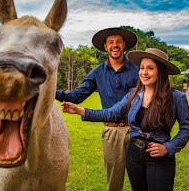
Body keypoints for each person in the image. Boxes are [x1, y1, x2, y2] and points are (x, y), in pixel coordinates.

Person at [61, 48, 189, 191]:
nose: (144, 72)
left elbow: (187, 129)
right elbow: (110, 114)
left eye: (150, 68)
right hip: (134, 154)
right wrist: (78, 110)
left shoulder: (176, 98)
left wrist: (168, 148)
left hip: (158, 157)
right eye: (142, 68)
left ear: (160, 71)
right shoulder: (134, 95)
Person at [56, 28, 139, 191]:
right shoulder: (97, 73)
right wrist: (51, 91)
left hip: (138, 129)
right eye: (111, 42)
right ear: (105, 47)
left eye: (118, 42)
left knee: (141, 181)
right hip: (112, 131)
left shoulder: (137, 70)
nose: (115, 45)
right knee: (114, 183)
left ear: (124, 45)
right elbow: (77, 96)